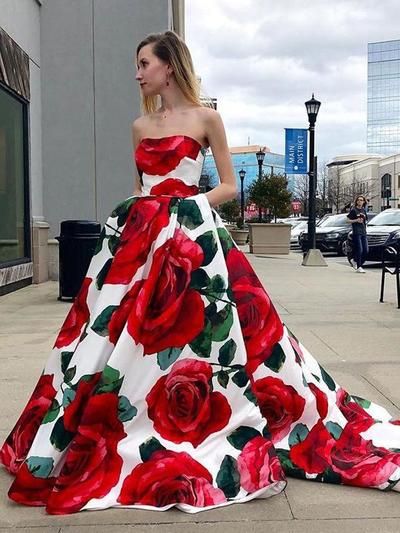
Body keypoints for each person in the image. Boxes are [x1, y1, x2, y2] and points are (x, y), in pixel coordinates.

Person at [1, 31, 399, 516]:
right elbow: (140, 186)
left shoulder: (207, 119)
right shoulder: (138, 125)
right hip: (141, 239)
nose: (138, 72)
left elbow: (230, 186)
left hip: (192, 237)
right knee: (109, 333)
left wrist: (184, 208)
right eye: (137, 64)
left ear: (169, 66)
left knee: (208, 331)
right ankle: (116, 419)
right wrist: (146, 213)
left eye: (144, 62)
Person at [347, 195, 369, 273]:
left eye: (361, 200)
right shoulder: (354, 210)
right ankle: (359, 266)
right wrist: (356, 220)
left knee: (366, 250)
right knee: (359, 249)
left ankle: (354, 260)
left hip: (363, 232)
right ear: (356, 201)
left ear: (364, 202)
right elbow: (347, 220)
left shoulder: (364, 210)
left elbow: (365, 220)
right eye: (358, 200)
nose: (360, 201)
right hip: (356, 232)